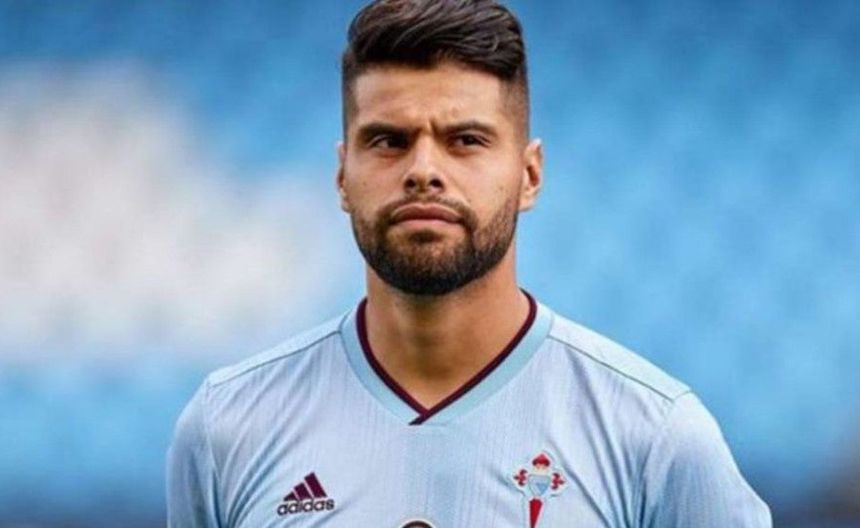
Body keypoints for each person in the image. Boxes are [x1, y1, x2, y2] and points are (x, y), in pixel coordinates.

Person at [167, 1, 772, 526]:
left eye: (466, 141)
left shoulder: (656, 439)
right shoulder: (227, 428)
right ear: (342, 175)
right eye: (388, 140)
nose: (423, 170)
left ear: (529, 175)